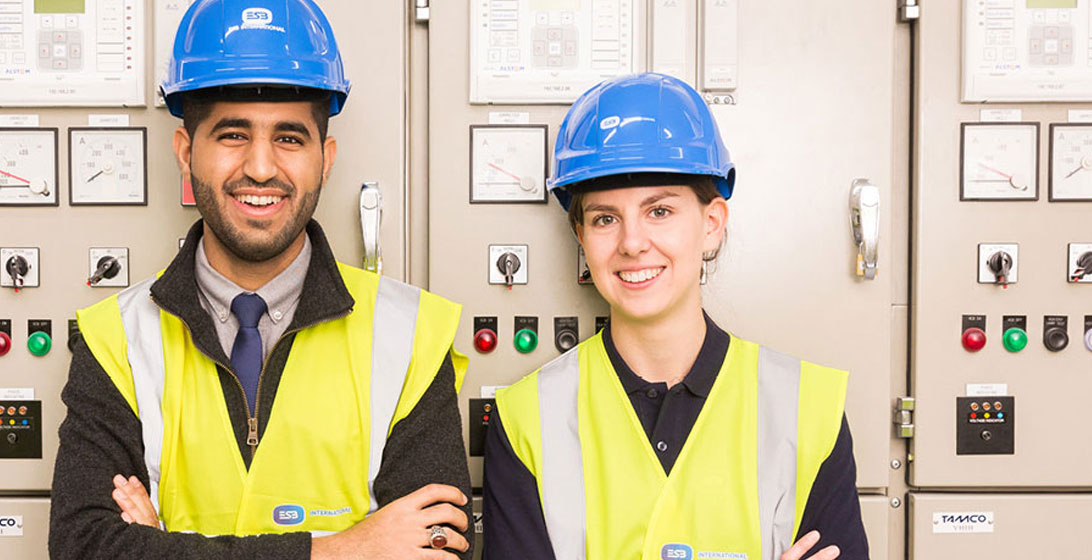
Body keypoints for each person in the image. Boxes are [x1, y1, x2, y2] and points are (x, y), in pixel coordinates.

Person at [48, 1, 473, 558]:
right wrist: (339, 549)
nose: (261, 167)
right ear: (185, 152)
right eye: (232, 134)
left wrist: (165, 547)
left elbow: (439, 550)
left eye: (290, 138)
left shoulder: (410, 334)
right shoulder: (116, 341)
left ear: (326, 158)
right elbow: (84, 548)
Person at [481, 73, 869, 560]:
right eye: (605, 218)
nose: (632, 242)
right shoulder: (526, 418)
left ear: (711, 225)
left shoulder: (808, 410)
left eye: (659, 211)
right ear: (581, 238)